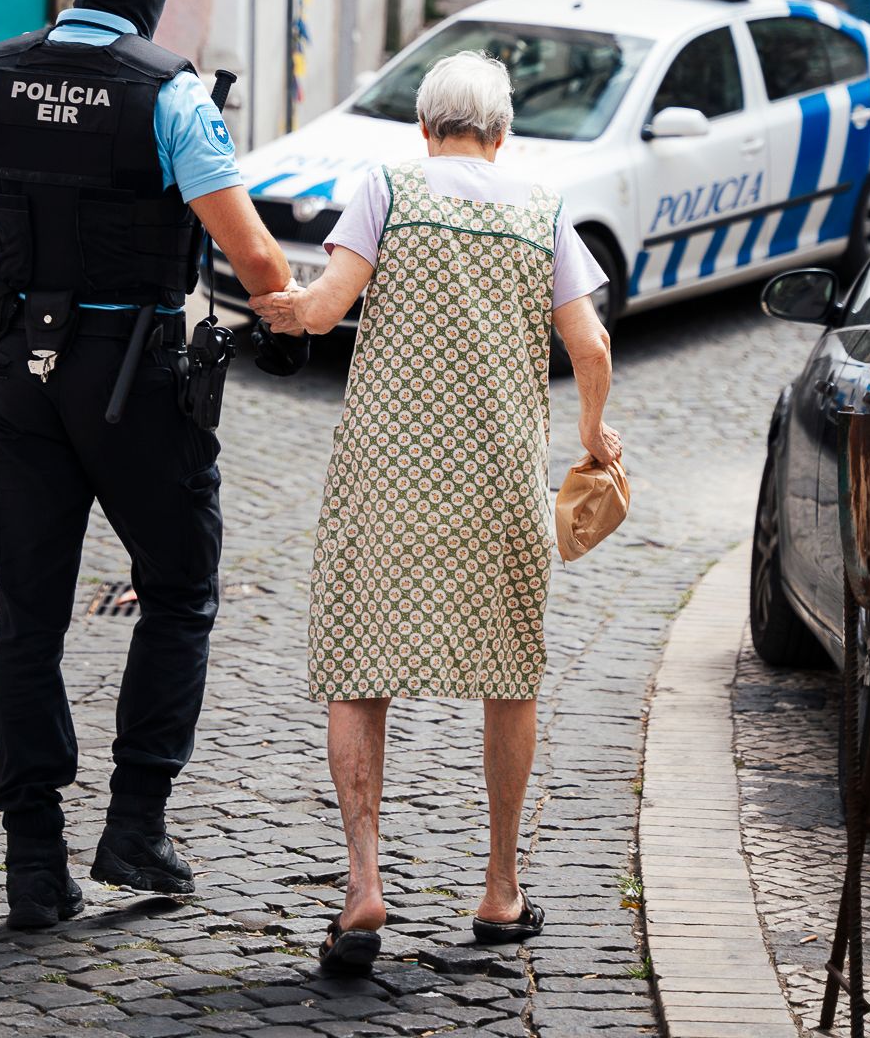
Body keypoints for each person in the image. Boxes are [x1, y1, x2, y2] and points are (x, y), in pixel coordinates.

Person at [0, 0, 294, 932]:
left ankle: (33, 861)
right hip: (132, 375)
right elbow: (256, 256)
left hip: (19, 367)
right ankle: (136, 826)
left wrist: (9, 310)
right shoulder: (170, 93)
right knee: (177, 590)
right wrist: (289, 314)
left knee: (29, 611)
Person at [251, 50, 622, 974]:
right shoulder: (543, 209)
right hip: (497, 478)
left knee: (358, 664)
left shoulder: (386, 188)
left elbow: (325, 309)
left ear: (424, 128)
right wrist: (591, 432)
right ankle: (500, 891)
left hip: (385, 473)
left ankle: (362, 887)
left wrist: (279, 307)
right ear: (502, 133)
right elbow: (590, 345)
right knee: (509, 672)